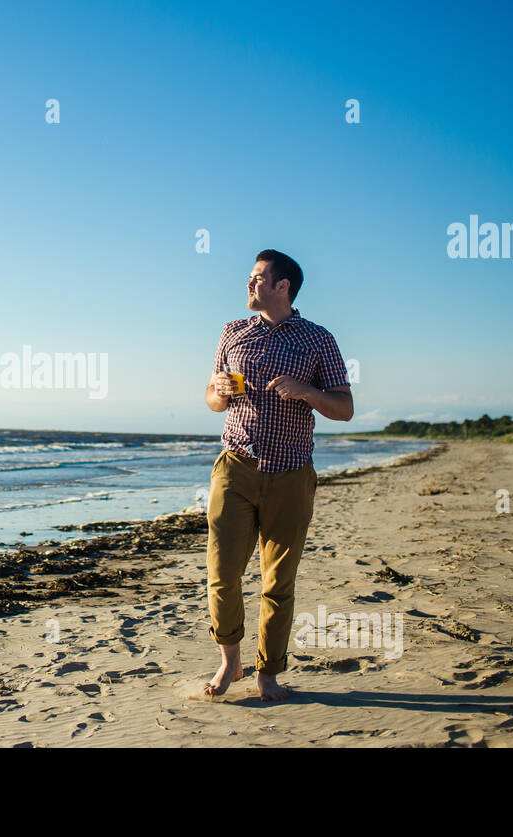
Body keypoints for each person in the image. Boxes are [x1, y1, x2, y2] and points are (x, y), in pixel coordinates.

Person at [202, 249, 353, 700]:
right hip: (235, 467)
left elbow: (344, 408)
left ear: (282, 286)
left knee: (277, 583)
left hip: (291, 474)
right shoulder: (233, 332)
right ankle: (231, 662)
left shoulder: (318, 339)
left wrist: (306, 391)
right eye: (250, 277)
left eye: (257, 278)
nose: (249, 284)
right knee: (222, 574)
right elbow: (211, 395)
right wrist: (219, 392)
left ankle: (269, 672)